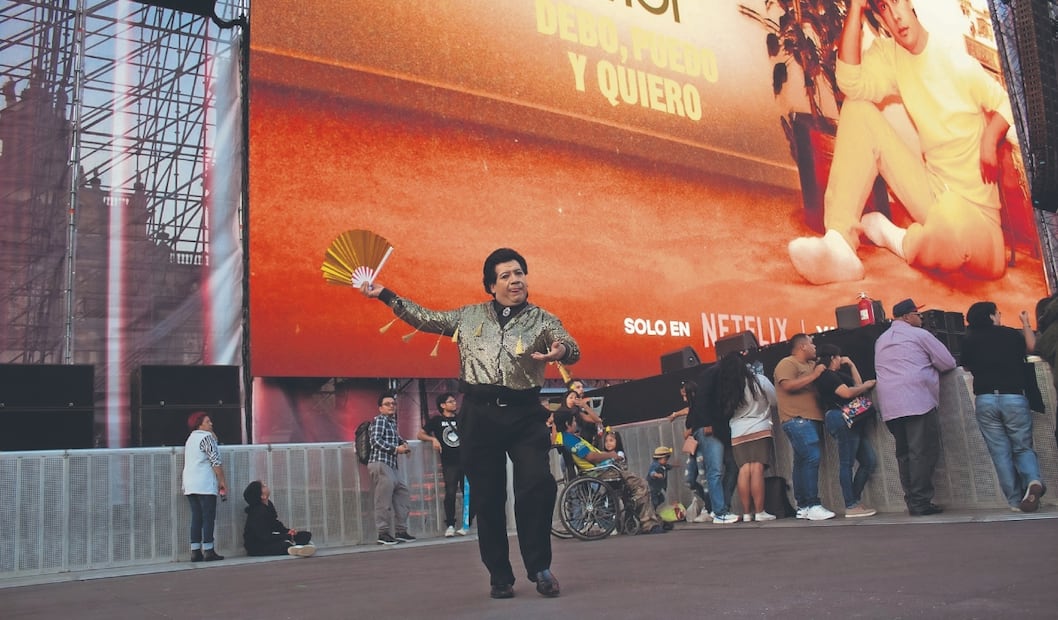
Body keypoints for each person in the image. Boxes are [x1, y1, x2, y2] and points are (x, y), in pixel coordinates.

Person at [360, 248, 577, 599]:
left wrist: (560, 352)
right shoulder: (469, 316)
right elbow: (424, 318)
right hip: (479, 414)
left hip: (525, 414)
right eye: (505, 275)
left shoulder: (542, 319)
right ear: (491, 285)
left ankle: (540, 567)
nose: (515, 279)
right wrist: (385, 294)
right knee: (488, 497)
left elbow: (570, 344)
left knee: (536, 486)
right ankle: (500, 576)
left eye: (519, 272)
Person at [787, 0, 1014, 285]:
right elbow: (850, 83)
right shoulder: (891, 57)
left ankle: (896, 237)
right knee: (858, 109)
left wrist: (990, 137)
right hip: (934, 193)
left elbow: (1009, 103)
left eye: (897, 3)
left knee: (948, 230)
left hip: (978, 219)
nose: (895, 16)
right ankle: (839, 244)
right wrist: (856, 7)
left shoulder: (955, 61)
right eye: (883, 8)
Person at [874, 298, 957, 516]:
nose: (920, 318)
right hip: (917, 401)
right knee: (921, 452)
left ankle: (912, 499)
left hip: (890, 405)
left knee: (904, 454)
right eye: (917, 314)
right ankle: (921, 502)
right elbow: (948, 363)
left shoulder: (881, 340)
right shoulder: (919, 335)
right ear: (907, 317)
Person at [960, 301, 1045, 512]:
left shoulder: (968, 340)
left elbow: (966, 365)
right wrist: (1025, 323)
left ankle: (1015, 501)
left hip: (985, 399)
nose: (999, 316)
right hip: (1013, 397)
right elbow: (1031, 348)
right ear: (990, 316)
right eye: (997, 313)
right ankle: (1033, 481)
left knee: (1000, 452)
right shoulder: (1009, 334)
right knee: (1022, 446)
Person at [552, 410, 665, 534]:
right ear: (568, 424)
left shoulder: (560, 438)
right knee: (641, 484)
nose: (575, 423)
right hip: (600, 471)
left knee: (631, 486)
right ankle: (648, 523)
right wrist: (610, 454)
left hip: (599, 469)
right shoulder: (570, 439)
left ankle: (637, 517)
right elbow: (591, 457)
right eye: (573, 421)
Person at [774, 334, 835, 520]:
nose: (814, 347)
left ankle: (803, 507)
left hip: (811, 419)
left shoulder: (811, 365)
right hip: (797, 419)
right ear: (802, 346)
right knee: (811, 458)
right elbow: (788, 386)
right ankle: (812, 504)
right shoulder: (788, 363)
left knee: (802, 461)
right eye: (811, 343)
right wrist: (815, 375)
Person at [815, 345, 879, 518]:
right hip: (840, 417)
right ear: (833, 358)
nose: (839, 360)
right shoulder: (826, 376)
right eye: (838, 357)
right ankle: (851, 504)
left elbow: (856, 385)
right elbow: (847, 393)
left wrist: (851, 365)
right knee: (847, 463)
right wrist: (866, 386)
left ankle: (854, 500)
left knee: (869, 461)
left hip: (850, 418)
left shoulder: (836, 375)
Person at [716, 352, 778, 523]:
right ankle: (760, 512)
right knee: (757, 468)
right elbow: (774, 400)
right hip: (760, 428)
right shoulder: (759, 380)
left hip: (737, 432)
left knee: (744, 469)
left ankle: (747, 513)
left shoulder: (727, 388)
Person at [685, 364, 740, 524]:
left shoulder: (708, 385)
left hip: (713, 430)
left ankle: (719, 508)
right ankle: (720, 511)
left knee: (723, 469)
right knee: (716, 471)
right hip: (712, 429)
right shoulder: (714, 386)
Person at [417, 392, 471, 536]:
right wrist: (433, 439)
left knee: (468, 492)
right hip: (449, 462)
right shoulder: (436, 421)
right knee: (451, 492)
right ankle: (451, 524)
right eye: (450, 401)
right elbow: (420, 434)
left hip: (465, 460)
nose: (454, 403)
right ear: (442, 405)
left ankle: (467, 523)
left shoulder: (461, 418)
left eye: (454, 401)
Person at [368, 392, 416, 546]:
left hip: (391, 464)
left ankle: (400, 531)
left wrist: (404, 444)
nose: (391, 406)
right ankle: (383, 533)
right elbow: (375, 441)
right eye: (387, 404)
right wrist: (396, 449)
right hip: (381, 463)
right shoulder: (380, 420)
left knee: (402, 494)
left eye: (393, 404)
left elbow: (396, 438)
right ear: (380, 408)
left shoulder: (391, 422)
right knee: (383, 499)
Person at [181, 411, 228, 562]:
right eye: (208, 422)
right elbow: (215, 460)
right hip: (204, 483)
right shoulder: (206, 438)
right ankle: (208, 549)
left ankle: (195, 551)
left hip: (189, 483)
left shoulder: (191, 439)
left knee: (196, 517)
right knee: (208, 517)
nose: (211, 424)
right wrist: (222, 480)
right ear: (200, 424)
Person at [242, 481, 316, 557]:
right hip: (258, 546)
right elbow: (265, 537)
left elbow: (275, 523)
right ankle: (297, 548)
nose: (265, 485)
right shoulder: (257, 512)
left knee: (306, 535)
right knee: (284, 544)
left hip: (270, 540)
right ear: (262, 496)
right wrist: (287, 536)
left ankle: (298, 548)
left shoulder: (268, 504)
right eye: (263, 486)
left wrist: (288, 531)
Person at [568, 380, 605, 445]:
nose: (581, 389)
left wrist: (585, 406)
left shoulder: (585, 405)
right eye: (578, 387)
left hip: (591, 440)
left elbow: (598, 420)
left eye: (582, 387)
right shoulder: (572, 408)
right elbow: (596, 420)